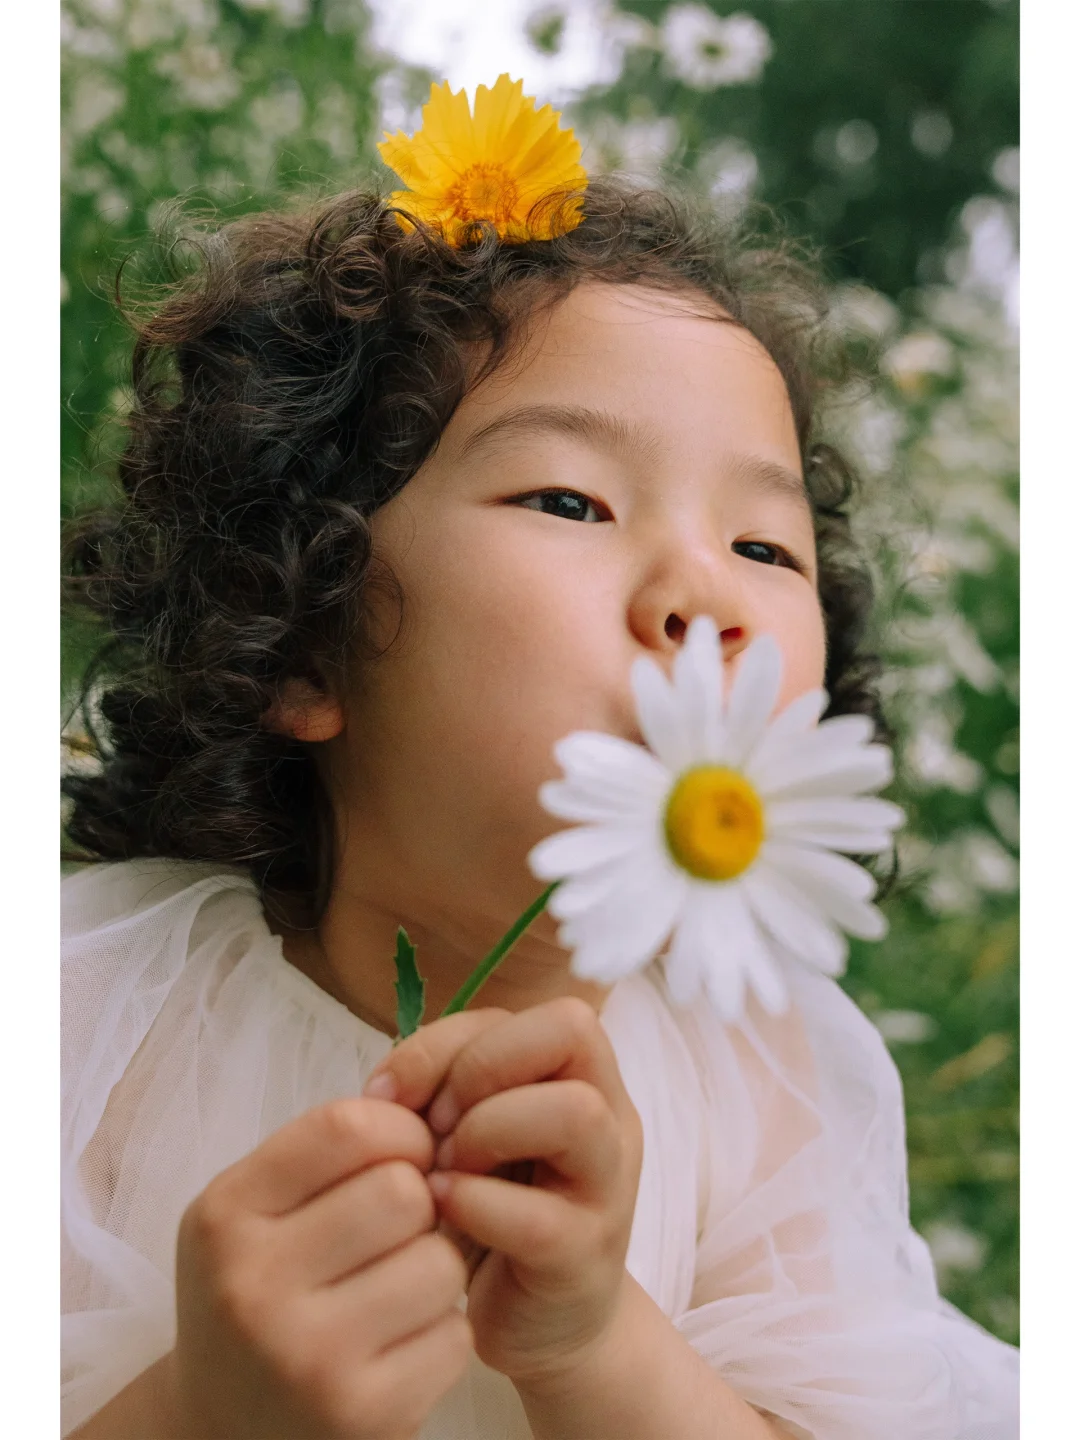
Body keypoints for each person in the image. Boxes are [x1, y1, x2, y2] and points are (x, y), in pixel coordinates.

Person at [61, 79, 1019, 1440]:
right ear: (301, 641)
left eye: (767, 545)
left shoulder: (767, 1074)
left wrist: (595, 1347)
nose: (710, 593)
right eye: (571, 499)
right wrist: (196, 1415)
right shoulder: (89, 1028)